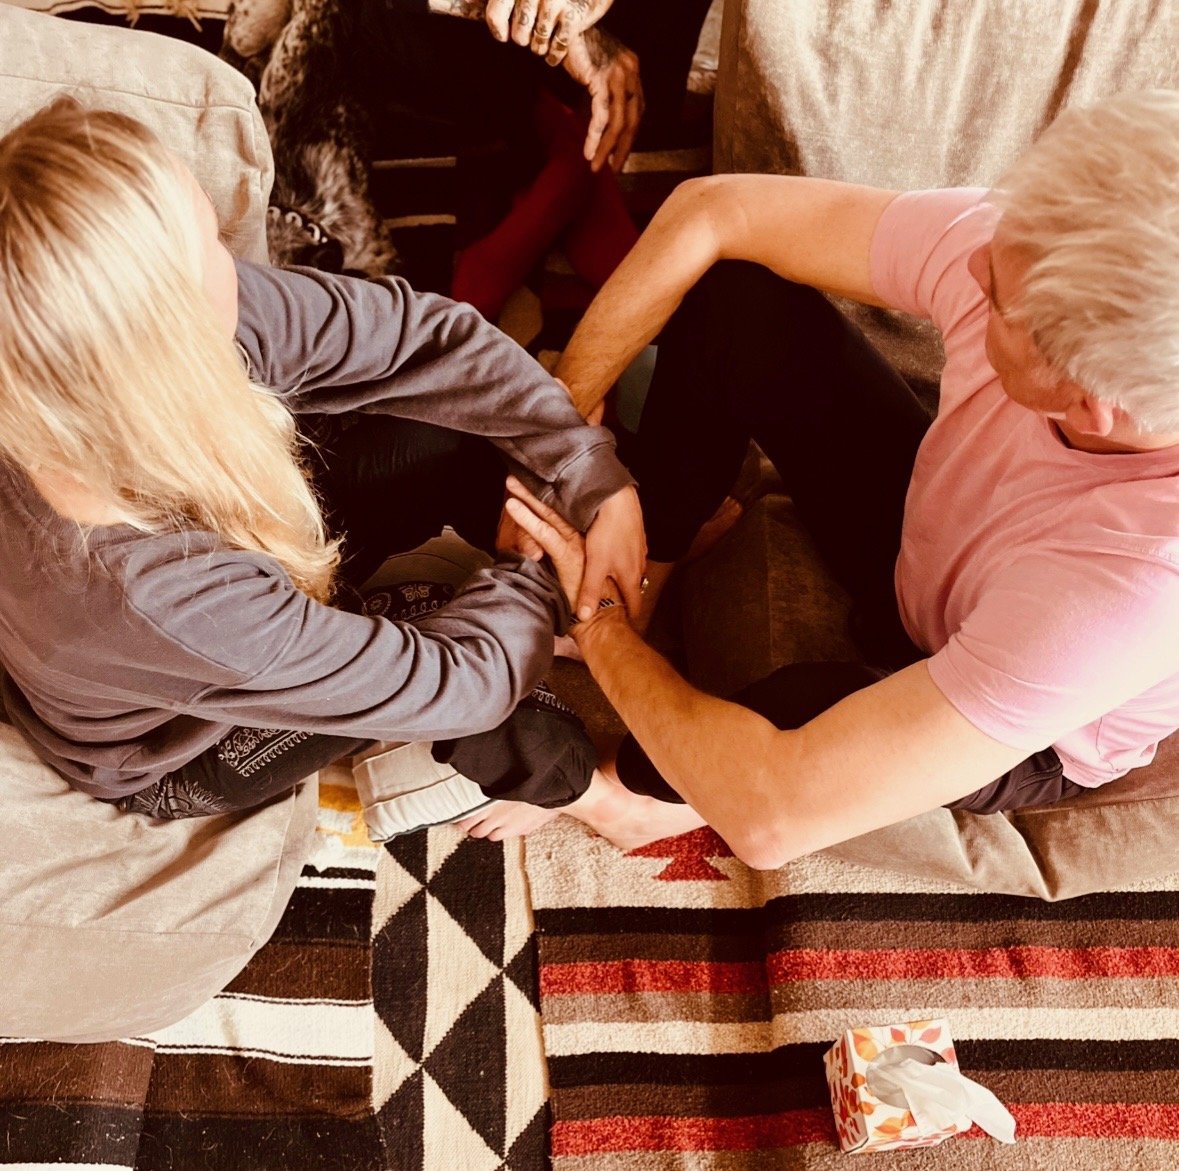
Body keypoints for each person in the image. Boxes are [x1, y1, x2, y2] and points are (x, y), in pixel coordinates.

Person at [468, 89, 1179, 866]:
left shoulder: (1134, 589)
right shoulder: (1031, 252)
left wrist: (597, 626)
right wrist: (561, 441)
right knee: (736, 295)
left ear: (1091, 403)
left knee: (793, 719)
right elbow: (713, 211)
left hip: (1018, 703)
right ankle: (648, 568)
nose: (973, 261)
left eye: (996, 296)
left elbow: (772, 821)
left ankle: (626, 802)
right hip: (936, 532)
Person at [0, 97, 644, 821]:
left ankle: (572, 589)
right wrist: (533, 577)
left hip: (222, 542)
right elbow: (459, 682)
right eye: (211, 240)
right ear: (167, 339)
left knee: (468, 430)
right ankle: (596, 796)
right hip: (175, 741)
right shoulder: (151, 596)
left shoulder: (70, 354)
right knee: (447, 640)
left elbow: (426, 339)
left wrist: (591, 474)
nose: (232, 255)